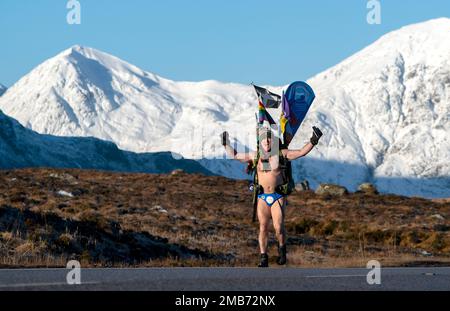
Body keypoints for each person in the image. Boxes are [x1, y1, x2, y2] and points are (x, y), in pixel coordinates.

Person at [221, 126, 323, 267]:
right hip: (262, 197)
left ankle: (282, 250)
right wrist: (226, 144)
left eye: (269, 138)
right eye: (264, 139)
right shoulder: (255, 155)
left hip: (277, 196)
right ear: (260, 142)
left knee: (278, 227)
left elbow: (300, 153)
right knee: (263, 227)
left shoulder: (281, 153)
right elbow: (236, 156)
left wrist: (314, 140)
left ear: (273, 140)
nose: (267, 141)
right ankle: (264, 257)